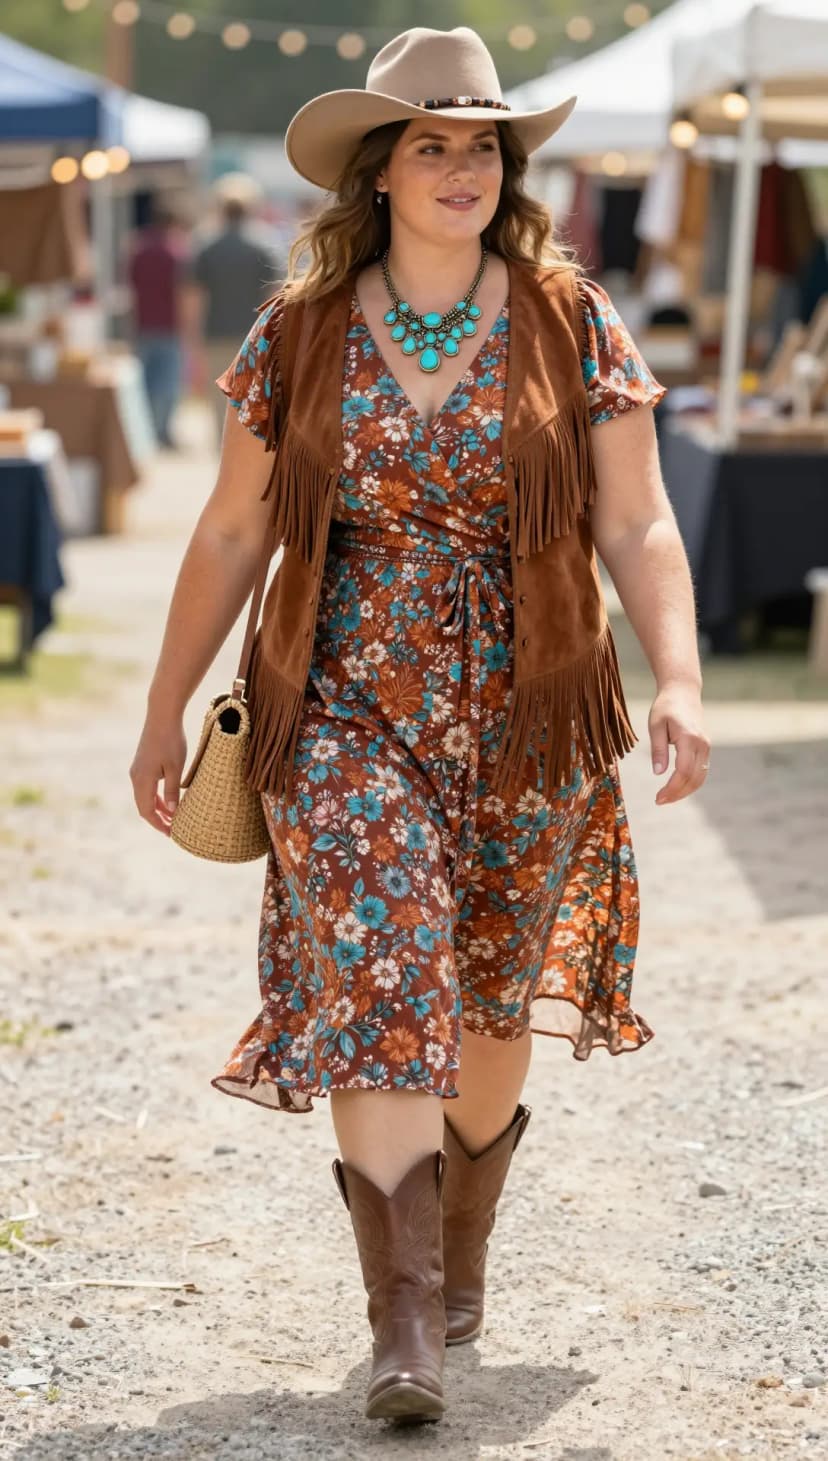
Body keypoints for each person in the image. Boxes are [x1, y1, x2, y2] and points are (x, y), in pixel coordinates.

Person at [130, 26, 710, 1427]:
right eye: (432, 145)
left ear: (509, 169)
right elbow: (231, 527)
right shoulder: (303, 327)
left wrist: (682, 677)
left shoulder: (573, 318)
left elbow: (635, 516)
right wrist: (162, 708)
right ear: (379, 172)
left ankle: (455, 1253)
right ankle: (403, 1328)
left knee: (491, 998)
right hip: (344, 702)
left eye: (483, 146)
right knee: (387, 972)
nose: (462, 167)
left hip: (537, 704)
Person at [185, 174, 283, 446]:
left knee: (220, 406)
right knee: (255, 405)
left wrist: (192, 339)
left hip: (216, 334)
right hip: (255, 338)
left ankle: (224, 462)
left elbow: (193, 299)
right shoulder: (265, 247)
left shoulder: (205, 247)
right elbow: (276, 297)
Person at [127, 202, 188, 449]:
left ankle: (146, 432)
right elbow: (183, 292)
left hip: (143, 323)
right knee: (168, 384)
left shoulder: (138, 249)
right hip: (170, 324)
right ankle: (162, 431)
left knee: (145, 383)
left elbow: (131, 287)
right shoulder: (176, 253)